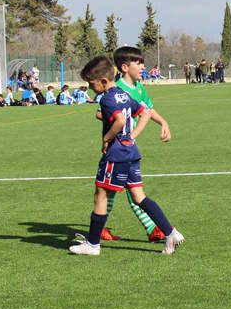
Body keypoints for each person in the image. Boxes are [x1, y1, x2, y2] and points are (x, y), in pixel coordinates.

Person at [68, 55, 184, 256]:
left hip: (116, 155)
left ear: (103, 81)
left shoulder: (106, 99)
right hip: (132, 153)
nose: (89, 88)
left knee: (101, 195)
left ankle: (93, 245)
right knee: (140, 197)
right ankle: (171, 233)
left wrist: (107, 138)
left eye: (91, 84)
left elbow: (120, 120)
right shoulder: (123, 95)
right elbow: (145, 113)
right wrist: (131, 137)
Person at [99, 46, 175, 243]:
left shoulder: (139, 88)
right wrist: (121, 128)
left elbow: (148, 110)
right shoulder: (117, 89)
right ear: (124, 67)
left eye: (142, 62)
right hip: (118, 148)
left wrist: (163, 122)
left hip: (127, 147)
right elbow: (101, 112)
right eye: (138, 63)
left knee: (122, 189)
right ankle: (153, 228)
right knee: (122, 190)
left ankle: (150, 228)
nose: (143, 66)